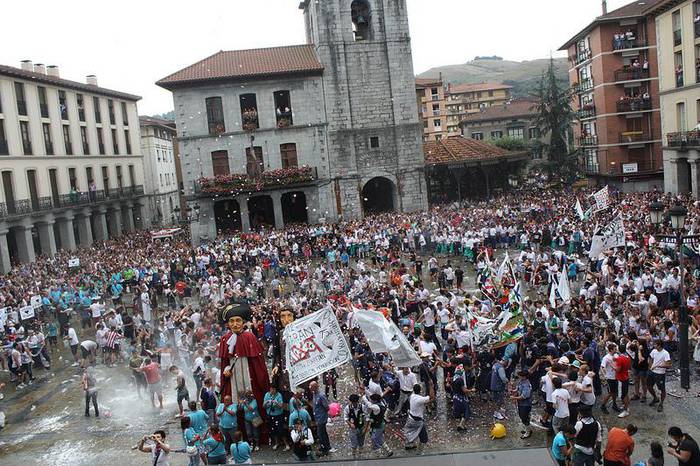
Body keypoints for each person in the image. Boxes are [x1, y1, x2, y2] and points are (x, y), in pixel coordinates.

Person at [404, 383, 434, 453]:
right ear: (420, 390)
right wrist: (431, 387)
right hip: (418, 421)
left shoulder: (412, 396)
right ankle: (420, 451)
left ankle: (409, 444)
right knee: (424, 438)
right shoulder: (420, 399)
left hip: (410, 419)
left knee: (410, 433)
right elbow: (432, 397)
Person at [364, 392, 394, 458]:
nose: (370, 401)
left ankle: (378, 452)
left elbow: (369, 405)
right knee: (380, 438)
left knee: (374, 438)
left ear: (375, 401)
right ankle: (388, 450)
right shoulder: (381, 404)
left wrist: (364, 397)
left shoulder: (376, 407)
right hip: (380, 423)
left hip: (378, 425)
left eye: (371, 400)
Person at [310, 380, 333, 456]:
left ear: (316, 387)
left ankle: (325, 449)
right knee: (323, 433)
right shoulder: (314, 394)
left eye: (311, 387)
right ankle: (327, 446)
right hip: (317, 417)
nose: (310, 388)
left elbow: (326, 407)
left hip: (321, 418)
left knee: (320, 434)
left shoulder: (321, 395)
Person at [648, 339, 672, 413]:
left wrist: (659, 366)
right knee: (649, 386)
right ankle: (655, 398)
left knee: (662, 389)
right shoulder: (654, 351)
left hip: (660, 374)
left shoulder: (665, 353)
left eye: (655, 344)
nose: (654, 345)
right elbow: (651, 358)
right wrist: (650, 366)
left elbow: (669, 365)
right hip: (652, 372)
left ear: (659, 345)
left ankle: (661, 403)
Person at [263, 386, 288, 451]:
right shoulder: (267, 395)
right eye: (271, 389)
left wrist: (276, 403)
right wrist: (266, 402)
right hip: (270, 415)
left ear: (276, 389)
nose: (272, 390)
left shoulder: (279, 395)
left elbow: (281, 406)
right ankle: (277, 443)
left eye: (274, 389)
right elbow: (263, 406)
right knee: (273, 430)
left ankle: (286, 444)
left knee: (281, 429)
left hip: (278, 415)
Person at [344, 393, 367, 457]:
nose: (354, 404)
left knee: (361, 441)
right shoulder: (347, 408)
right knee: (353, 441)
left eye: (355, 402)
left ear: (358, 401)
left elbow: (366, 417)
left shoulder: (363, 407)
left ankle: (360, 453)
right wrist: (350, 424)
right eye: (353, 402)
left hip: (361, 427)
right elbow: (345, 418)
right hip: (353, 429)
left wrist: (365, 427)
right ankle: (354, 454)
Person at [512, 369, 533, 439]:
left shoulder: (526, 385)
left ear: (524, 377)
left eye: (521, 375)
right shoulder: (521, 381)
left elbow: (524, 396)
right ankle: (528, 429)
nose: (519, 376)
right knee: (522, 416)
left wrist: (514, 397)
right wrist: (514, 390)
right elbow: (518, 389)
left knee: (524, 417)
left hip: (525, 404)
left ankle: (528, 432)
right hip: (521, 404)